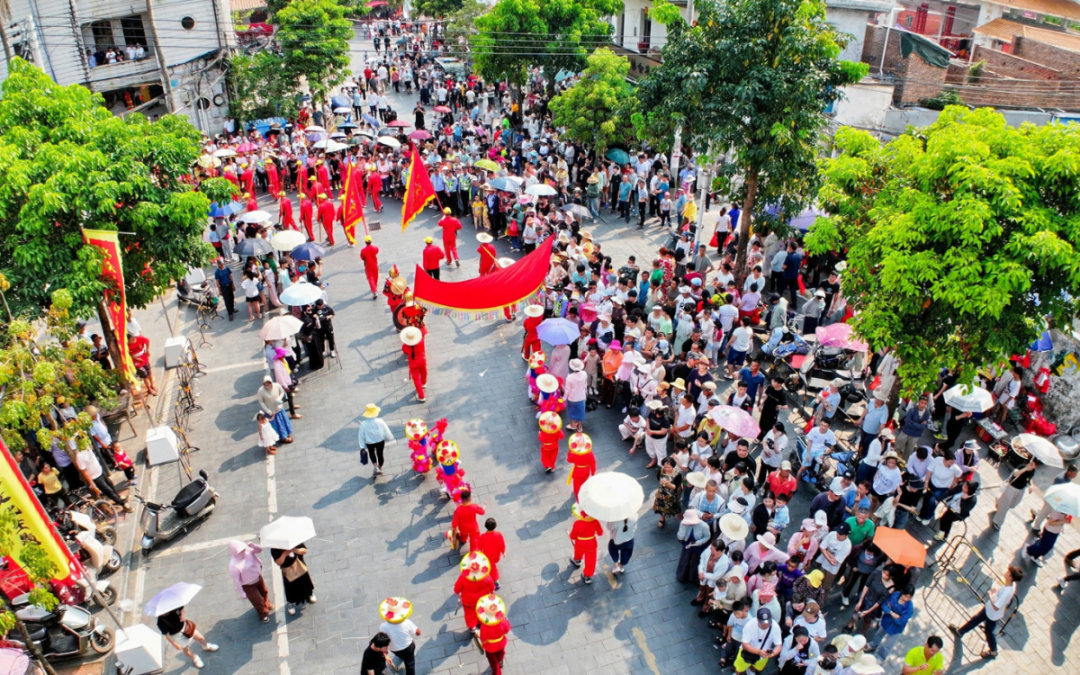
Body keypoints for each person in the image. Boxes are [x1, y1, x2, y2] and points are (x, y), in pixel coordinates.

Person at [950, 565, 1021, 659]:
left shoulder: (1007, 591)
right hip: (989, 610)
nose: (1006, 572)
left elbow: (996, 606)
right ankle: (960, 632)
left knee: (989, 632)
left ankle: (993, 650)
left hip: (993, 614)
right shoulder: (1010, 585)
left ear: (1010, 577)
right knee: (975, 620)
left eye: (1008, 572)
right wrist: (995, 593)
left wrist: (991, 595)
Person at [866, 585, 915, 661]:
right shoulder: (895, 595)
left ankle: (880, 657)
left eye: (909, 597)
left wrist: (890, 610)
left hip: (896, 628)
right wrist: (893, 613)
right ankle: (873, 644)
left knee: (888, 644)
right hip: (886, 621)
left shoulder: (909, 608)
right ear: (902, 592)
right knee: (878, 634)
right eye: (905, 596)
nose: (906, 599)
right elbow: (884, 605)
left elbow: (901, 621)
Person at [229, 541, 273, 623]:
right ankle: (263, 613)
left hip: (258, 577)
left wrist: (253, 545)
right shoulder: (233, 565)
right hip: (248, 585)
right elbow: (236, 581)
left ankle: (267, 603)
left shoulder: (248, 551)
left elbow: (260, 550)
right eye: (240, 550)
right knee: (258, 601)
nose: (243, 551)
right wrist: (242, 593)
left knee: (264, 592)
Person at [991, 456, 1038, 530]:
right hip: (1012, 487)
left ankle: (999, 501)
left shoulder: (1033, 470)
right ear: (1029, 462)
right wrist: (1025, 469)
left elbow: (1029, 479)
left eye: (1035, 465)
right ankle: (998, 522)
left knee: (1013, 505)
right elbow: (1015, 473)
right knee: (1005, 506)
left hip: (1021, 490)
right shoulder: (1022, 466)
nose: (1033, 467)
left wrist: (1031, 486)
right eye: (1032, 464)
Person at [454, 552, 497, 631]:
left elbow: (457, 589)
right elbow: (492, 586)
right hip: (482, 599)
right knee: (482, 610)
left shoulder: (463, 577)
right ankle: (481, 622)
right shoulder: (486, 576)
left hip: (468, 600)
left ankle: (472, 626)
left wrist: (458, 592)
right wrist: (492, 593)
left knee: (469, 613)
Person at [271, 542, 315, 615]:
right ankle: (290, 602)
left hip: (298, 565)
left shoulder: (293, 540)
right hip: (287, 570)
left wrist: (295, 550)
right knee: (290, 587)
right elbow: (278, 562)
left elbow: (304, 550)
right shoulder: (275, 548)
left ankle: (309, 594)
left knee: (304, 581)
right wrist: (285, 554)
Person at [735, 608, 782, 674]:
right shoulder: (749, 626)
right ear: (757, 619)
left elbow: (779, 645)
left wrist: (773, 653)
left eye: (768, 623)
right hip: (747, 652)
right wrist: (758, 652)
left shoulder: (775, 627)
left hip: (764, 654)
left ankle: (750, 671)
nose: (765, 625)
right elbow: (745, 644)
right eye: (763, 623)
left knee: (758, 668)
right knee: (739, 668)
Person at [379, 602, 421, 675]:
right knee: (410, 663)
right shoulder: (407, 622)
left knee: (400, 655)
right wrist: (417, 630)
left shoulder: (383, 627)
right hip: (408, 647)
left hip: (394, 649)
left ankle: (401, 657)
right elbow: (418, 632)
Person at [568, 504, 604, 584]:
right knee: (591, 560)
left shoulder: (577, 523)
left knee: (578, 551)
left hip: (580, 542)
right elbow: (600, 533)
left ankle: (577, 559)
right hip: (591, 544)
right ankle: (587, 575)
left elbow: (572, 536)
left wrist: (572, 536)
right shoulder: (595, 522)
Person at [477, 595, 512, 675]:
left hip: (490, 647)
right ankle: (500, 661)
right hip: (501, 643)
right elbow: (506, 631)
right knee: (501, 653)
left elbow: (484, 641)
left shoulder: (484, 627)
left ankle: (497, 673)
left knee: (493, 661)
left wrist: (479, 636)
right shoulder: (503, 620)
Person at [359, 403, 395, 477]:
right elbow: (386, 430)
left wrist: (362, 446)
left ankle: (375, 467)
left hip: (370, 442)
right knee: (380, 454)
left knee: (372, 453)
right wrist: (390, 437)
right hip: (380, 440)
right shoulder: (380, 421)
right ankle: (380, 467)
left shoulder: (363, 424)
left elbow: (361, 435)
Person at [654, 457, 684, 528]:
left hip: (672, 496)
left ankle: (683, 522)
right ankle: (662, 518)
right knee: (661, 508)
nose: (666, 469)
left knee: (677, 509)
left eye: (668, 467)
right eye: (665, 467)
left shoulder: (677, 475)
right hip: (661, 494)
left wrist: (668, 484)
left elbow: (675, 487)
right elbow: (658, 478)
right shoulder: (661, 471)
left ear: (673, 466)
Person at [400, 327, 428, 403]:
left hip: (413, 364)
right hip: (422, 360)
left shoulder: (405, 346)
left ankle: (421, 396)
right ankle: (424, 383)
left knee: (416, 379)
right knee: (424, 372)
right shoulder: (421, 341)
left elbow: (405, 351)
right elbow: (423, 349)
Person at [477, 519, 507, 589]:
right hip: (497, 554)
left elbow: (479, 546)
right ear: (496, 526)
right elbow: (502, 544)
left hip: (488, 556)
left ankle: (496, 581)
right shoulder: (499, 534)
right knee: (493, 565)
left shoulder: (483, 536)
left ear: (485, 526)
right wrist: (503, 551)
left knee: (493, 569)